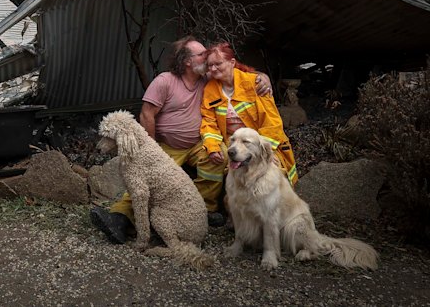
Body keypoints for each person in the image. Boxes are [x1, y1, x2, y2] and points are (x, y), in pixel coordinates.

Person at [90, 36, 272, 244]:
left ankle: (204, 209)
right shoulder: (165, 81)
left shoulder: (207, 79)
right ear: (187, 61)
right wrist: (151, 148)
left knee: (219, 155)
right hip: (166, 147)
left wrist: (262, 76)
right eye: (202, 54)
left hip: (198, 144)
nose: (207, 57)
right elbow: (146, 114)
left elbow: (235, 70)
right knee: (143, 179)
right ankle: (119, 218)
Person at [200, 42, 298, 187]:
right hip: (231, 142)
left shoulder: (254, 83)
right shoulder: (210, 89)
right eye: (210, 65)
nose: (213, 69)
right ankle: (211, 201)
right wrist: (213, 147)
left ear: (232, 62)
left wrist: (265, 151)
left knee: (271, 170)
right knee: (213, 162)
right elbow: (209, 122)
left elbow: (272, 123)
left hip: (259, 141)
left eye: (218, 64)